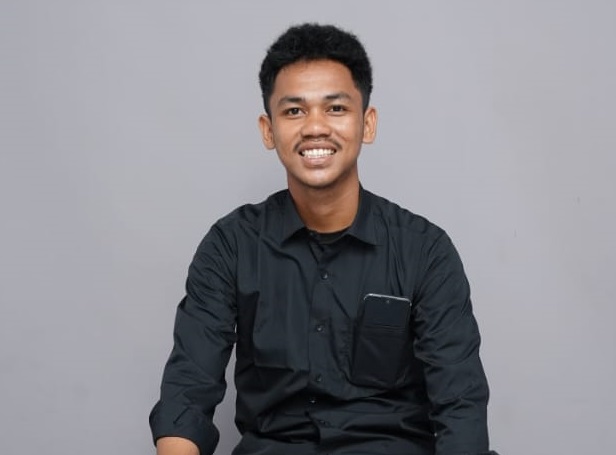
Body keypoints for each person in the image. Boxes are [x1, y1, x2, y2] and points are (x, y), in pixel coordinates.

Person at [150, 23, 492, 455]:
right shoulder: (231, 247)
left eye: (335, 108)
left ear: (367, 123)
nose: (315, 127)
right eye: (294, 111)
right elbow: (187, 394)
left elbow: (460, 408)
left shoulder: (424, 251)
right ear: (268, 130)